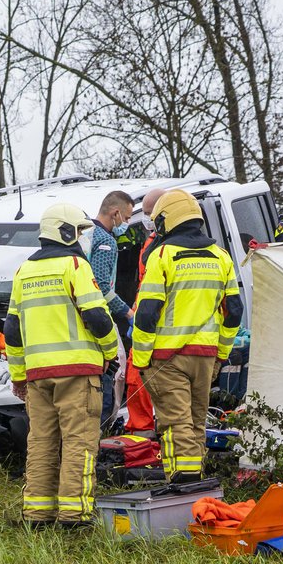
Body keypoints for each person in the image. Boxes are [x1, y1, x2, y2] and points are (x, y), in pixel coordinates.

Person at [4, 203, 120, 528]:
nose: (83, 238)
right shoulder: (74, 266)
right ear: (66, 232)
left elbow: (12, 331)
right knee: (79, 441)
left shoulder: (23, 271)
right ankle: (74, 516)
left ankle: (37, 515)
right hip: (78, 372)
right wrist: (110, 352)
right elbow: (97, 316)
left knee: (41, 442)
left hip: (37, 376)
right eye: (80, 231)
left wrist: (18, 375)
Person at [131, 189, 242, 483]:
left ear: (167, 220)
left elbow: (146, 314)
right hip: (205, 357)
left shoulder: (162, 256)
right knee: (194, 422)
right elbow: (234, 311)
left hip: (166, 358)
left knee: (175, 422)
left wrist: (141, 360)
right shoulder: (221, 257)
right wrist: (221, 353)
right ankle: (196, 479)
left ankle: (184, 482)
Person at [122, 186, 167, 435]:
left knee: (148, 379)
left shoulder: (169, 246)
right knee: (135, 377)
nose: (147, 220)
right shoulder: (151, 241)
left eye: (151, 213)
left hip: (160, 324)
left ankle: (148, 431)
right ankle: (142, 431)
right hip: (143, 316)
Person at [89, 191, 135, 423]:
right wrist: (128, 313)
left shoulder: (84, 233)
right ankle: (106, 424)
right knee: (116, 368)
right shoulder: (105, 241)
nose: (126, 224)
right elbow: (102, 287)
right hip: (99, 316)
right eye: (127, 218)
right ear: (116, 213)